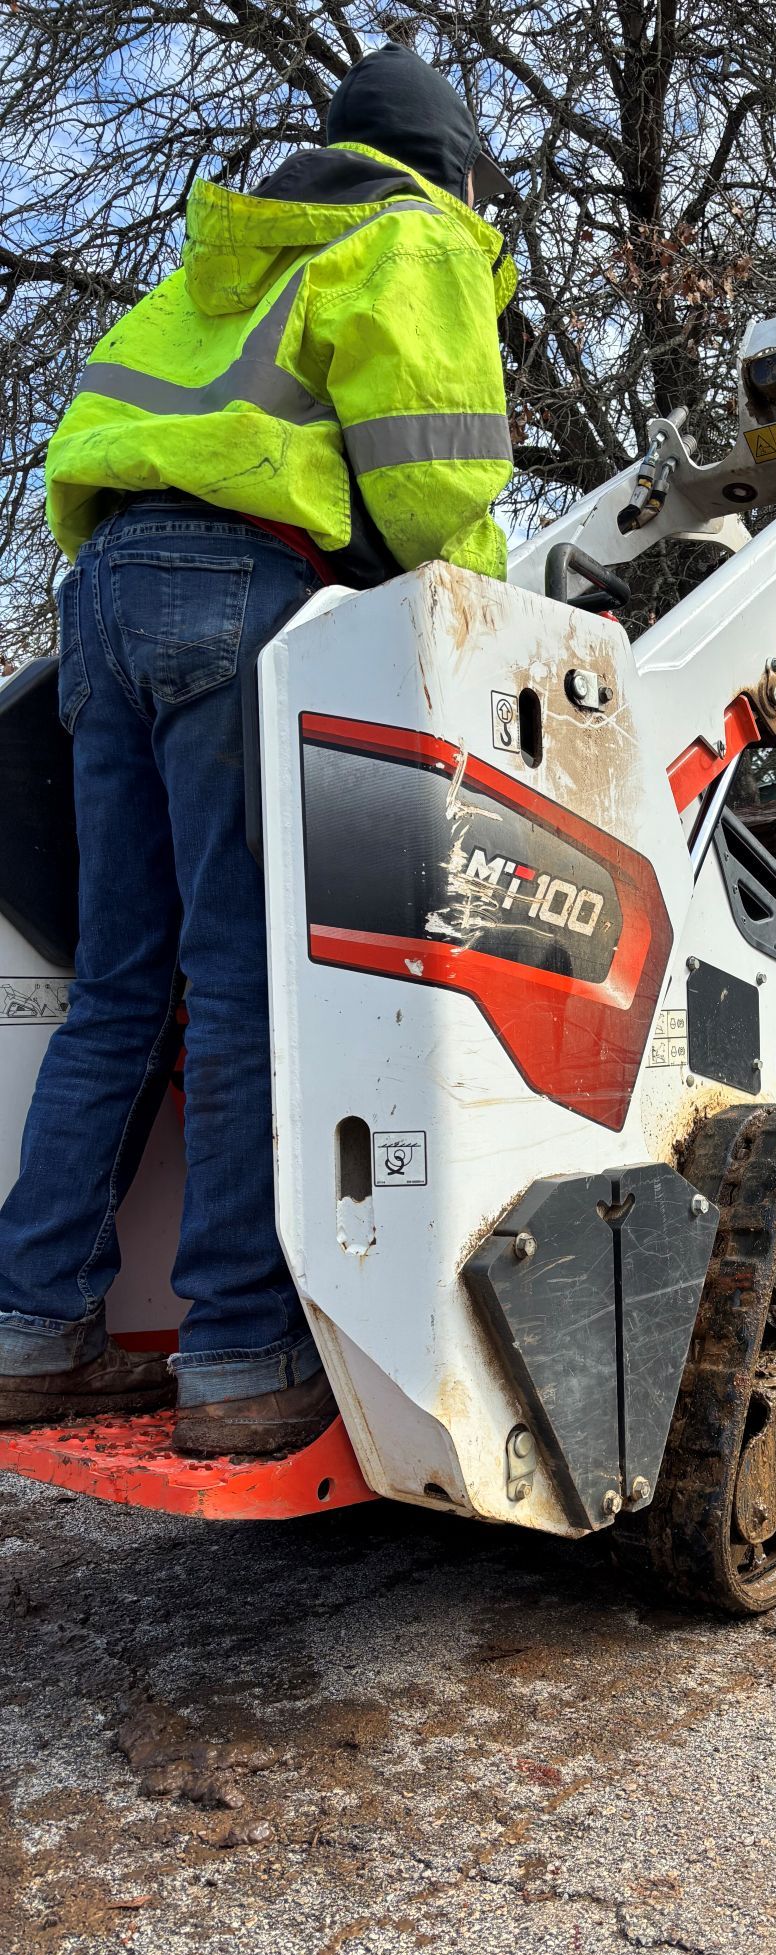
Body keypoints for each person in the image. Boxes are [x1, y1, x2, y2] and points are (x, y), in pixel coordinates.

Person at [0, 45, 518, 1455]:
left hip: (101, 599)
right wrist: (499, 631)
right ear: (463, 172)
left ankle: (31, 1328)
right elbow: (433, 487)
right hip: (240, 591)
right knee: (243, 987)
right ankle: (238, 1354)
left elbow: (98, 457)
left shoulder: (224, 262)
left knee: (123, 988)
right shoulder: (415, 232)